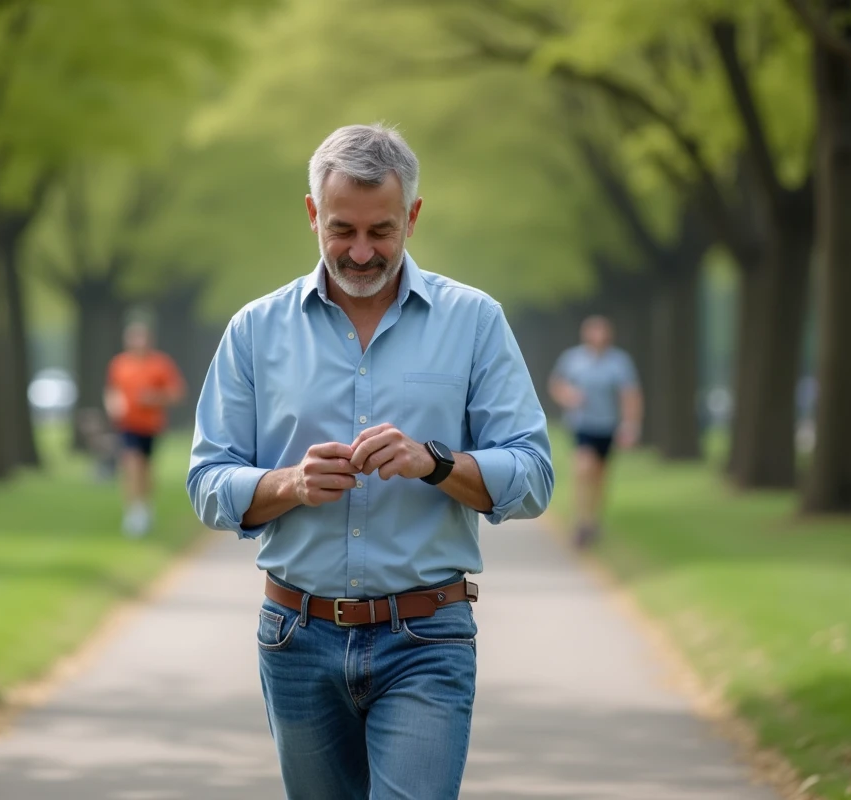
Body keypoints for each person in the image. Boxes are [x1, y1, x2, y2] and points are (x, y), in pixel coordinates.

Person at [187, 123, 554, 799]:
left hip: (427, 638)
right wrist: (290, 483)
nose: (360, 252)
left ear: (412, 216)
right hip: (295, 638)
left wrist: (436, 464)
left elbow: (533, 475)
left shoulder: (474, 322)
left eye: (380, 231)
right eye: (341, 230)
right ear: (311, 215)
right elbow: (207, 482)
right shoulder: (254, 330)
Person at [548, 315, 643, 548]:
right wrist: (569, 395)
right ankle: (581, 521)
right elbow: (556, 384)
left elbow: (629, 395)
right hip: (582, 425)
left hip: (607, 425)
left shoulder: (619, 362)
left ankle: (593, 520)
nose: (598, 337)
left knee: (600, 476)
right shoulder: (573, 359)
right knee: (583, 468)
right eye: (593, 332)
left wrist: (630, 425)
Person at [104, 320, 186, 537]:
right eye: (134, 338)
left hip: (151, 425)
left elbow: (176, 393)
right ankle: (133, 511)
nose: (138, 342)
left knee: (146, 469)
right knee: (131, 464)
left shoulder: (160, 364)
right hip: (127, 424)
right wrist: (113, 405)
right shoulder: (119, 364)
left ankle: (146, 507)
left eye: (142, 338)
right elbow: (112, 390)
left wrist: (154, 398)